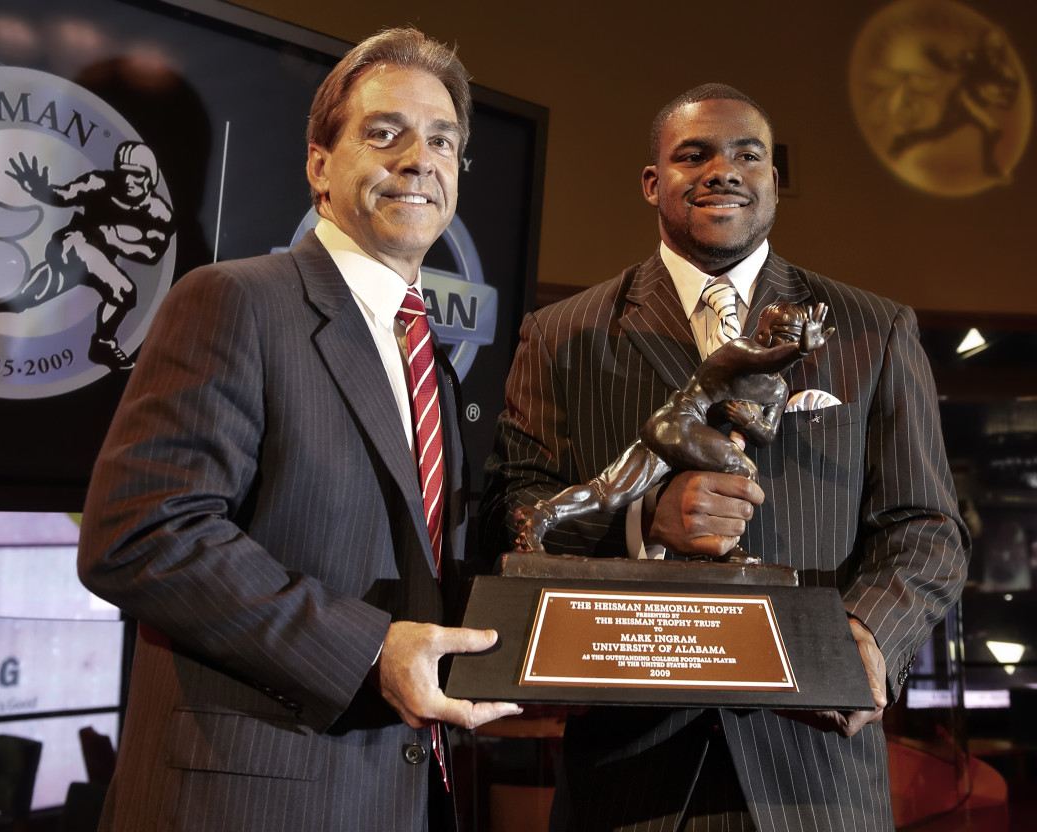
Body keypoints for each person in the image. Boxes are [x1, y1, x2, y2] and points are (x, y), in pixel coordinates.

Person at [479, 83, 969, 831]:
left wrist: (867, 638)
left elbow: (927, 527)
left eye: (748, 154)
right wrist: (643, 521)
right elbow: (513, 514)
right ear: (653, 183)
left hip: (815, 776)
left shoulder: (874, 330)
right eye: (693, 154)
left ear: (775, 180)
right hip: (626, 776)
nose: (723, 170)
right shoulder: (560, 334)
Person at [78, 28, 521, 832]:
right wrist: (367, 651)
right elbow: (139, 534)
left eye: (442, 140)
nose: (419, 158)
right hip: (244, 799)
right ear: (320, 165)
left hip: (399, 794)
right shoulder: (234, 300)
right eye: (384, 133)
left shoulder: (430, 356)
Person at [514, 301, 831, 559]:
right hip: (678, 422)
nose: (783, 345)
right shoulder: (739, 351)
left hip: (676, 434)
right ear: (761, 330)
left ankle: (539, 515)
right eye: (777, 336)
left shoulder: (777, 390)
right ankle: (719, 552)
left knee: (607, 492)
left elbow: (767, 434)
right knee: (741, 467)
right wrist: (799, 350)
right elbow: (764, 360)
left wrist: (751, 422)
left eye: (794, 337)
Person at [0, 142, 174, 371]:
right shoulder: (99, 183)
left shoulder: (159, 211)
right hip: (74, 245)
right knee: (123, 290)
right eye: (124, 172)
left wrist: (115, 240)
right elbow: (63, 195)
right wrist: (38, 188)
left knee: (21, 297)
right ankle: (103, 343)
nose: (129, 180)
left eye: (137, 174)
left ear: (150, 177)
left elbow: (152, 252)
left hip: (100, 258)